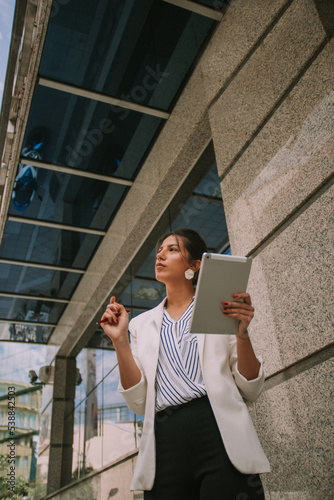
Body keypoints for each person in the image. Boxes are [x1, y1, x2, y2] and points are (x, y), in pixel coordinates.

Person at [101, 228, 270, 499]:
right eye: (159, 250)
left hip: (219, 436)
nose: (160, 254)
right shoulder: (140, 325)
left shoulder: (221, 310)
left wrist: (242, 333)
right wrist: (120, 340)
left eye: (172, 249)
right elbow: (137, 402)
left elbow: (250, 388)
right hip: (163, 444)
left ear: (194, 265)